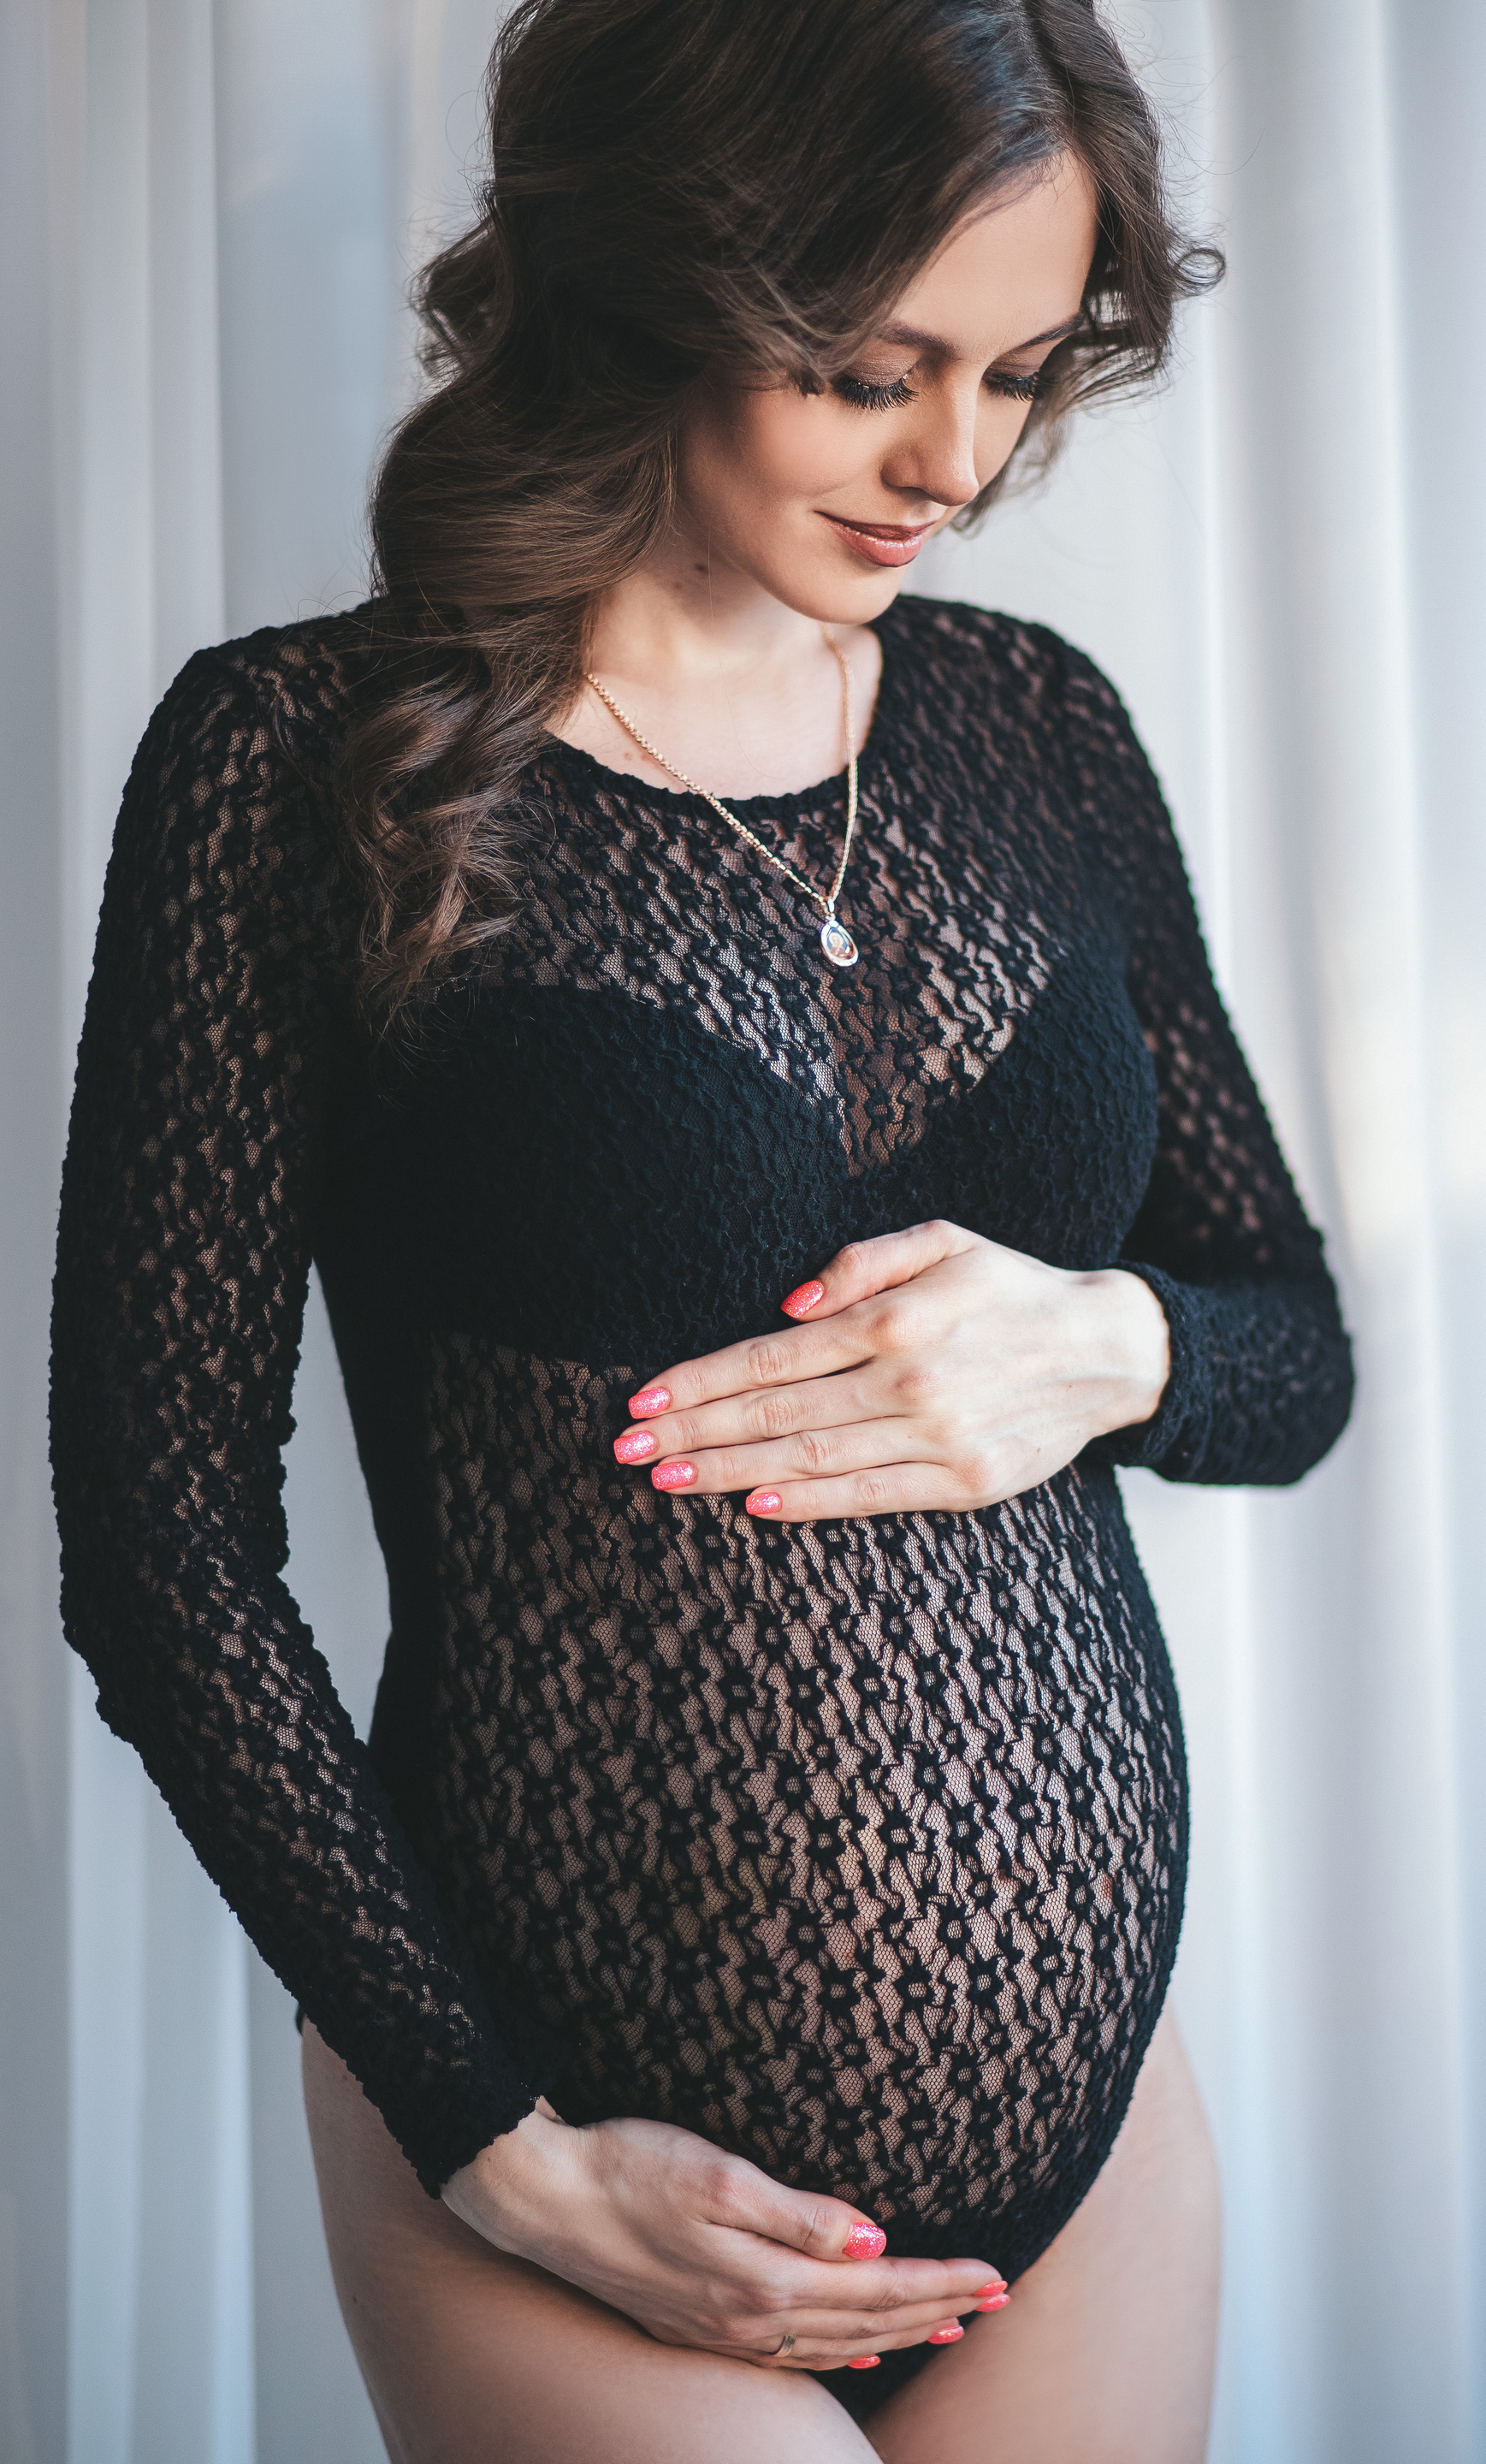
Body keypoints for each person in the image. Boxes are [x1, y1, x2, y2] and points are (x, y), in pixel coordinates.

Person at [50, 2, 1353, 2456]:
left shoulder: (1039, 729)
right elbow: (160, 1543)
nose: (956, 461)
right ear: (665, 278)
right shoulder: (299, 762)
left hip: (1082, 2162)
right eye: (873, 371)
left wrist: (1109, 1346)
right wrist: (495, 2145)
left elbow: (1293, 1350)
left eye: (1018, 373)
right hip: (564, 2146)